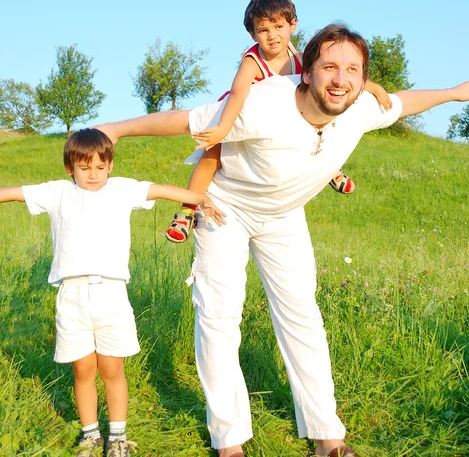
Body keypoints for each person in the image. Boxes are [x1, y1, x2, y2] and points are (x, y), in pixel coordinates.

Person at [97, 24, 469, 457]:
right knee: (219, 319)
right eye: (330, 66)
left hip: (284, 215)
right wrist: (116, 130)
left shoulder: (361, 106)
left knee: (301, 316)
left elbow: (406, 103)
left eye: (352, 70)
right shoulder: (262, 104)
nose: (341, 79)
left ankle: (327, 436)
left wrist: (458, 92)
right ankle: (229, 440)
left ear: (363, 80)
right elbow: (188, 120)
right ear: (306, 72)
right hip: (226, 207)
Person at [0, 128, 225, 457]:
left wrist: (199, 198)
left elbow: (161, 190)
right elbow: (11, 193)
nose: (93, 175)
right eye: (84, 167)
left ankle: (117, 436)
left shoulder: (122, 190)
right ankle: (90, 434)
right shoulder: (55, 193)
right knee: (82, 369)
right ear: (69, 167)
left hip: (112, 294)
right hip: (72, 294)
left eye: (101, 167)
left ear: (110, 165)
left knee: (112, 368)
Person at [166, 0, 392, 243]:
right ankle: (186, 211)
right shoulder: (252, 62)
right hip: (241, 118)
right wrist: (222, 129)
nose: (272, 35)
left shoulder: (301, 56)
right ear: (252, 34)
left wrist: (373, 87)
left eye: (279, 26)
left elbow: (333, 73)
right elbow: (238, 95)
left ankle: (330, 169)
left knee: (323, 120)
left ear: (293, 25)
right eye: (263, 30)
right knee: (211, 158)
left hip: (288, 122)